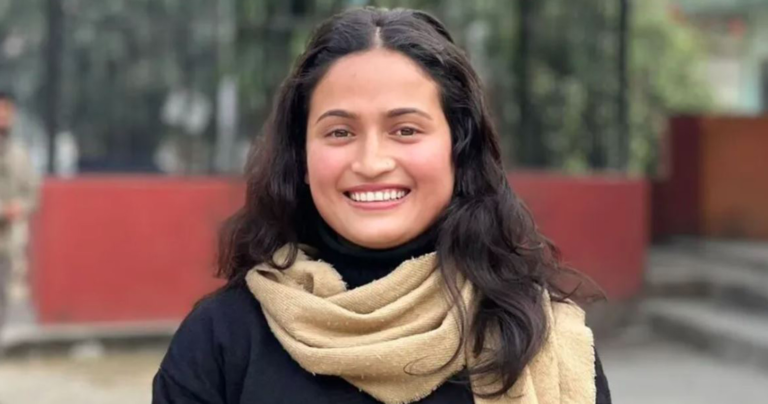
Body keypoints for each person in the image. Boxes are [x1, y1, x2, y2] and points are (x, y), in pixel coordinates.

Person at [153, 7, 611, 404]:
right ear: (302, 158)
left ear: (458, 150)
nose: (371, 162)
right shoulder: (221, 341)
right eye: (340, 132)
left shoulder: (541, 339)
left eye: (406, 130)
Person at [0, 91, 40, 336]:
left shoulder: (19, 154)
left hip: (6, 243)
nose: (3, 116)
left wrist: (20, 207)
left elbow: (32, 194)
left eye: (7, 110)